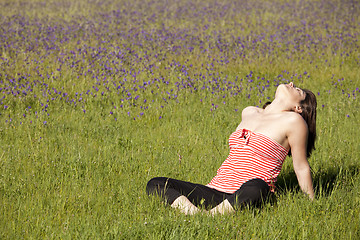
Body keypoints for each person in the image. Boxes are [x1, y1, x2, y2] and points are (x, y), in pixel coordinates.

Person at [146, 82, 317, 215]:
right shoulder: (249, 112)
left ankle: (212, 217)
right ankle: (194, 213)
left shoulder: (294, 122)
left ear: (298, 108)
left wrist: (311, 204)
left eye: (299, 91)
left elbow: (301, 166)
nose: (292, 84)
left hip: (248, 192)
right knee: (156, 183)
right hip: (214, 190)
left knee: (259, 186)